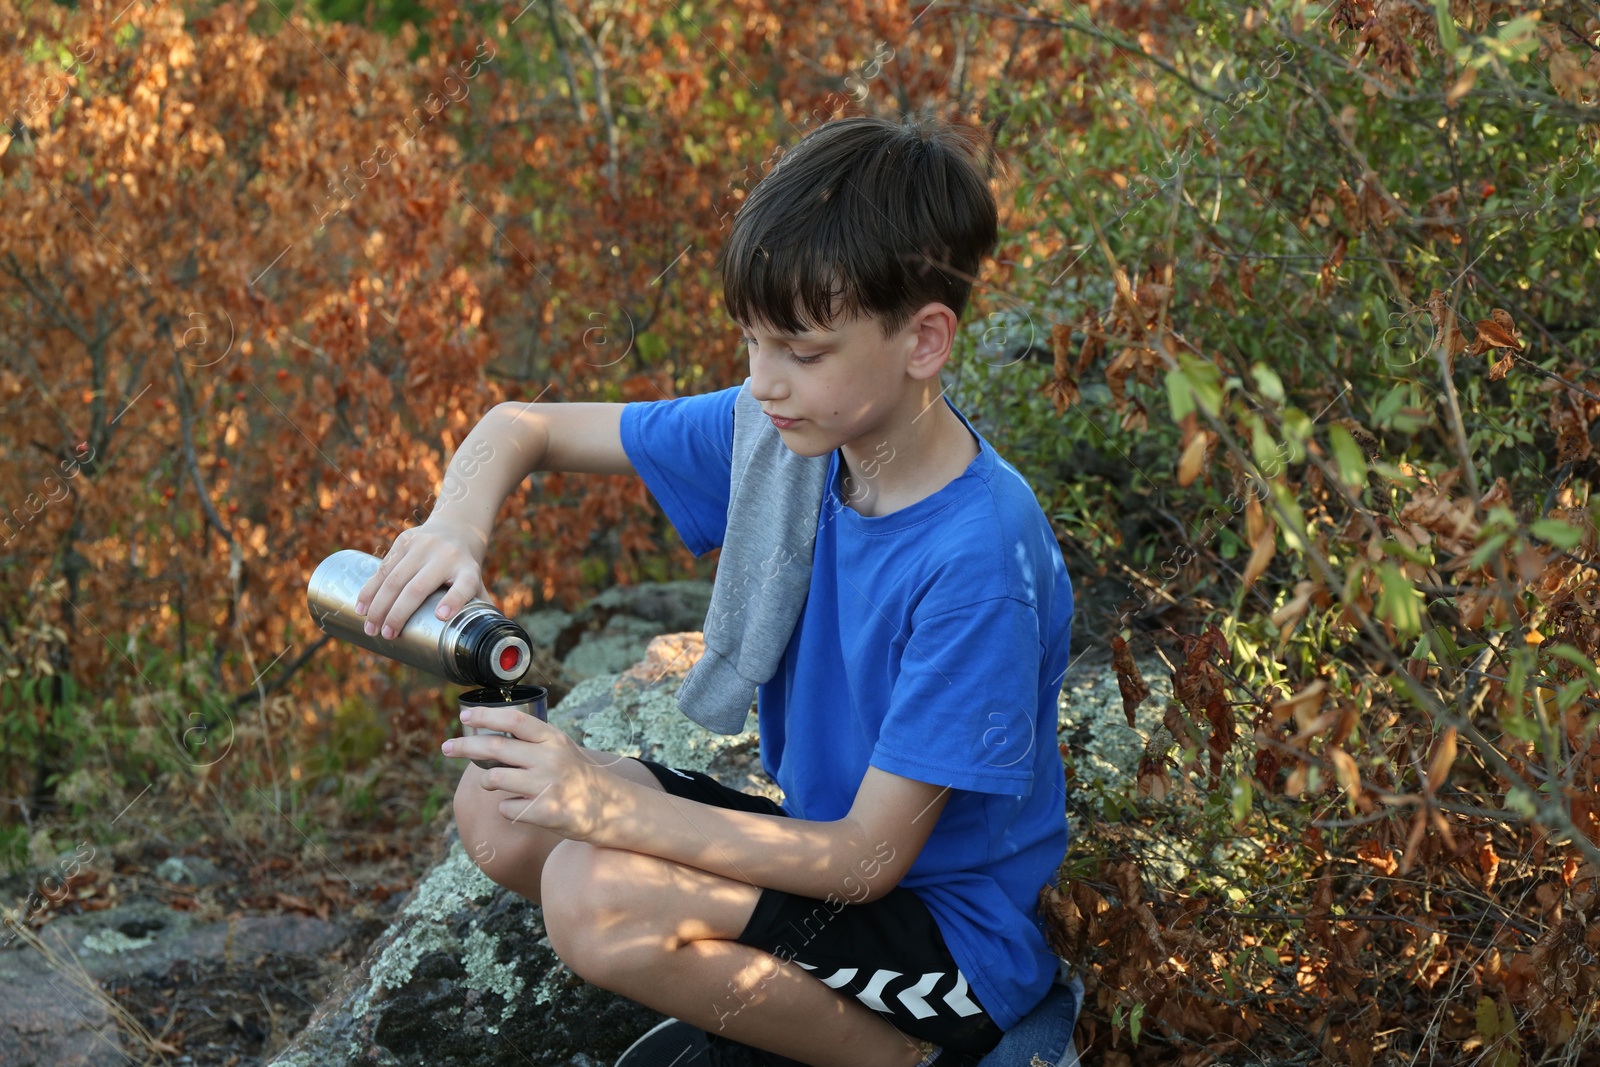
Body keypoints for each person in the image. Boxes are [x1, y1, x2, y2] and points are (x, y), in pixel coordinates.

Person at [353, 113, 1075, 1067]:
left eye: (802, 351)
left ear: (925, 340)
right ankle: (777, 1013)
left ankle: (896, 1059)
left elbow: (867, 862)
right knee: (499, 808)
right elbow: (521, 426)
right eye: (750, 343)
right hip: (818, 858)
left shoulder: (977, 559)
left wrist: (608, 811)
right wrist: (456, 525)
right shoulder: (786, 436)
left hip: (944, 940)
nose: (764, 382)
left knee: (592, 895)